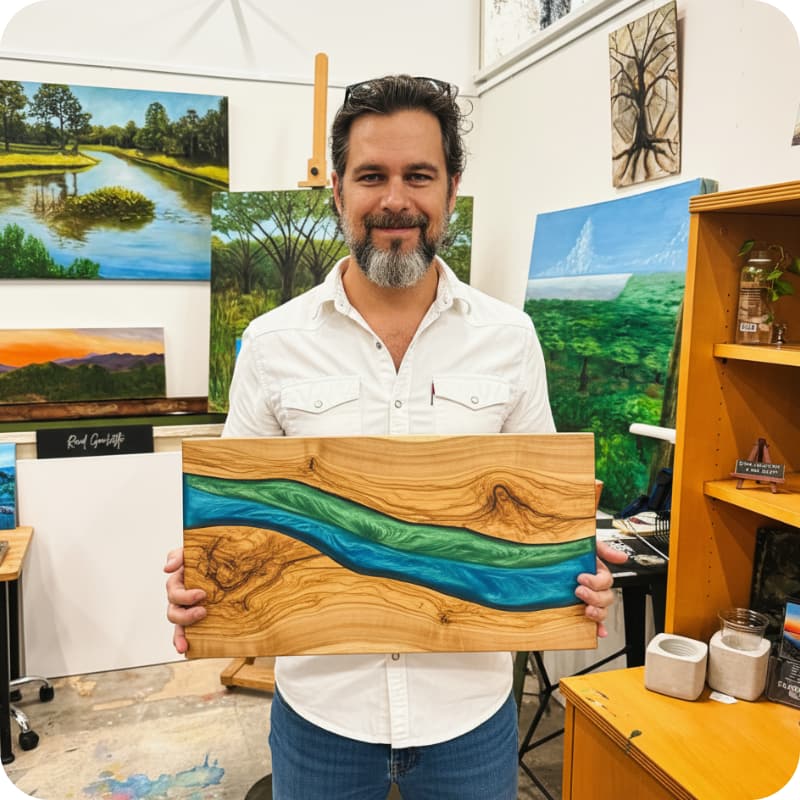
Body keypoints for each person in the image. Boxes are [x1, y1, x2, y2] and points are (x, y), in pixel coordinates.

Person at [166, 74, 626, 800]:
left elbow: (541, 510)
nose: (395, 200)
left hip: (469, 720)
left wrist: (572, 570)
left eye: (419, 175)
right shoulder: (272, 342)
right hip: (321, 718)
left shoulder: (511, 339)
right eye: (371, 175)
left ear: (450, 189)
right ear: (338, 194)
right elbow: (240, 514)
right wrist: (205, 581)